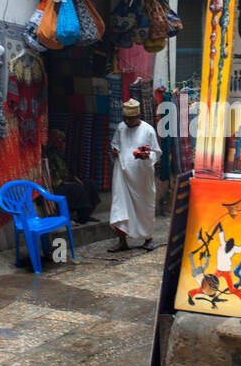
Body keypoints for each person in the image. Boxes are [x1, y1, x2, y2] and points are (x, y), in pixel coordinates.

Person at [109, 98, 161, 252]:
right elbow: (115, 144)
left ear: (138, 116)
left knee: (144, 207)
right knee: (120, 206)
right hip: (122, 175)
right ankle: (122, 241)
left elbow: (156, 152)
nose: (127, 121)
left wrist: (147, 156)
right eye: (125, 119)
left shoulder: (148, 130)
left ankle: (148, 238)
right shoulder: (121, 127)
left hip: (142, 177)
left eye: (130, 119)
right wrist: (115, 150)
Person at [43, 128, 100, 224]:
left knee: (89, 184)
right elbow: (53, 180)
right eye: (61, 141)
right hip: (55, 188)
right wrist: (70, 182)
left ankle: (85, 215)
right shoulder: (47, 156)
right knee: (77, 188)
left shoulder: (59, 155)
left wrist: (73, 177)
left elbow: (64, 173)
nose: (63, 144)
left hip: (64, 183)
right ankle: (78, 218)